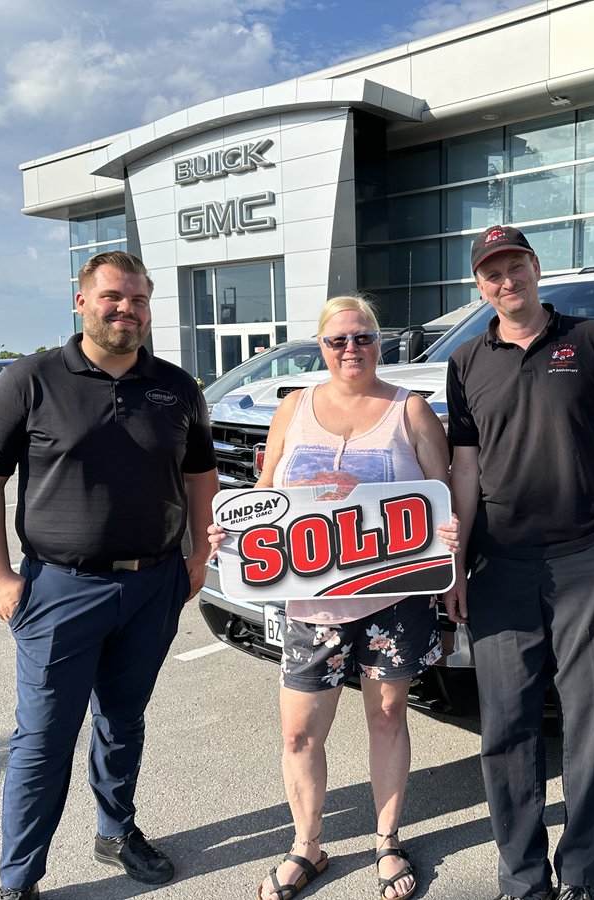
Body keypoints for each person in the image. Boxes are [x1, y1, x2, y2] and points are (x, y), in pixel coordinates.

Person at [0, 250, 219, 900]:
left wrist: (196, 558)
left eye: (136, 299)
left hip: (152, 585)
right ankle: (18, 879)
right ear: (82, 302)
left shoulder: (176, 386)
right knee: (44, 740)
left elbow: (200, 475)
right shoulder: (30, 379)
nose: (125, 309)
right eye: (111, 297)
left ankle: (115, 832)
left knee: (122, 722)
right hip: (57, 590)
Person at [210, 295, 457, 900]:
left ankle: (387, 840)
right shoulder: (293, 409)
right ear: (320, 345)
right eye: (338, 339)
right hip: (311, 602)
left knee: (387, 716)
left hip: (393, 600)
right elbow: (267, 493)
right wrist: (232, 531)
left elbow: (443, 498)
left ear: (381, 342)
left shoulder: (411, 410)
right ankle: (307, 847)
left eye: (364, 337)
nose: (352, 349)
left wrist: (453, 548)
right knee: (299, 733)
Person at [442, 225, 594, 900]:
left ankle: (582, 872)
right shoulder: (467, 360)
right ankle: (522, 878)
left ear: (535, 267)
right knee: (506, 726)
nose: (507, 281)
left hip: (588, 558)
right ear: (480, 284)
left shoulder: (592, 340)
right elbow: (463, 467)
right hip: (499, 565)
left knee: (588, 721)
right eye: (492, 273)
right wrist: (458, 562)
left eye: (516, 266)